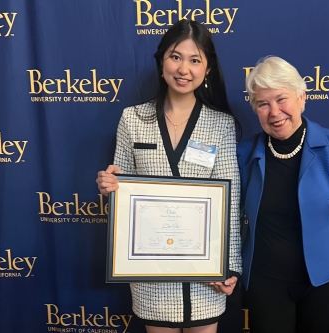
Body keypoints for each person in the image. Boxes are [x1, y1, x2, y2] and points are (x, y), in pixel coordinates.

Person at [96, 20, 242, 333]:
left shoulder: (221, 125)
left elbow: (229, 203)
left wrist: (229, 266)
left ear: (208, 69)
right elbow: (121, 199)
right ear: (161, 61)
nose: (183, 69)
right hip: (152, 277)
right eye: (175, 57)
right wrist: (109, 189)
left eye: (195, 60)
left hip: (207, 278)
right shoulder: (132, 119)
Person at [237, 56, 329, 333]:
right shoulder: (243, 152)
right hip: (265, 284)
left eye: (282, 99)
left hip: (325, 285)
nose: (274, 112)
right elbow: (227, 217)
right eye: (263, 104)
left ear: (302, 97)